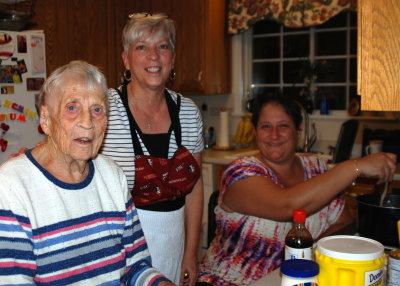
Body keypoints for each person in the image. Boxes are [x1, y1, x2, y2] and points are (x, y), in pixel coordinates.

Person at [0, 60, 174, 285]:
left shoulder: (112, 176)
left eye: (97, 110)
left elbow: (135, 267)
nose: (87, 122)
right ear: (45, 120)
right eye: (72, 107)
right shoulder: (11, 187)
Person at [197, 93, 397, 286]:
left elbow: (343, 222)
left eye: (283, 126)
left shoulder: (317, 168)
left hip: (298, 279)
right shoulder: (239, 172)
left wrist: (308, 257)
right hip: (228, 281)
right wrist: (355, 166)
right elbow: (285, 205)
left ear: (299, 130)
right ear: (255, 131)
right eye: (266, 126)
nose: (274, 135)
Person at [100, 13, 204, 285]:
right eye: (142, 47)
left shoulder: (189, 113)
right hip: (118, 251)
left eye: (163, 46)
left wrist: (191, 254)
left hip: (174, 245)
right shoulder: (104, 109)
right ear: (126, 59)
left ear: (173, 57)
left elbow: (194, 190)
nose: (154, 56)